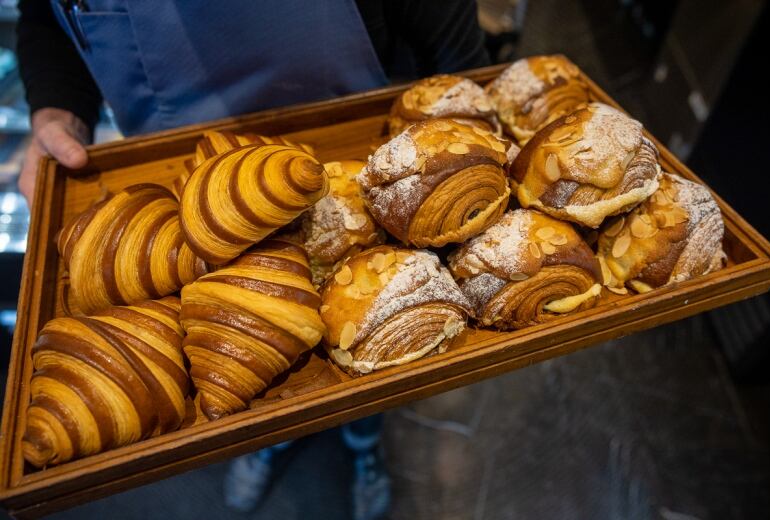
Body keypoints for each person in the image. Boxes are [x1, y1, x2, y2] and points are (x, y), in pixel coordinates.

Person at [15, 1, 490, 518]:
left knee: (369, 364)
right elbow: (44, 16)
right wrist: (58, 109)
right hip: (183, 175)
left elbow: (455, 59)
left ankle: (363, 441)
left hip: (346, 152)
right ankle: (269, 438)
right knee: (273, 390)